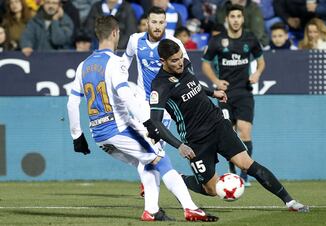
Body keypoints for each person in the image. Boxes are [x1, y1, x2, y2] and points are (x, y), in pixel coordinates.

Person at [67, 15, 218, 222]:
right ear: (115, 33)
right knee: (161, 159)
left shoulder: (82, 66)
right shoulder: (115, 63)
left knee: (147, 162)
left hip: (99, 135)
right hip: (119, 129)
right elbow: (126, 96)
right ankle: (190, 208)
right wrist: (149, 123)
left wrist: (77, 136)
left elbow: (72, 103)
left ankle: (152, 210)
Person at [145, 38, 310, 213]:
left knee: (247, 163)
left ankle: (290, 202)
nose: (179, 63)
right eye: (174, 60)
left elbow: (192, 84)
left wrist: (212, 92)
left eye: (179, 57)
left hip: (218, 124)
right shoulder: (160, 86)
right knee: (211, 190)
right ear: (163, 61)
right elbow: (155, 121)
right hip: (195, 139)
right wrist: (180, 145)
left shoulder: (185, 63)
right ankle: (178, 179)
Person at [123, 6, 188, 197]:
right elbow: (125, 62)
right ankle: (148, 182)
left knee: (156, 144)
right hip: (142, 102)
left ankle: (149, 181)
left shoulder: (174, 43)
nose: (157, 26)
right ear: (147, 23)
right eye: (154, 22)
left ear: (165, 23)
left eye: (161, 22)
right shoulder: (135, 40)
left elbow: (185, 69)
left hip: (165, 104)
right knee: (147, 143)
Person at [203, 4, 264, 186]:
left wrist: (257, 74)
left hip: (244, 93)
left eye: (239, 16)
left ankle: (245, 175)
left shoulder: (250, 39)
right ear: (227, 19)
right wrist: (216, 80)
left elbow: (261, 62)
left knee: (245, 132)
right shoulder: (217, 41)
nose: (236, 19)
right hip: (225, 95)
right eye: (233, 16)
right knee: (229, 134)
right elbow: (205, 64)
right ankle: (232, 173)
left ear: (243, 19)